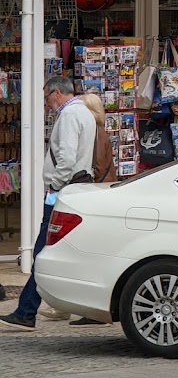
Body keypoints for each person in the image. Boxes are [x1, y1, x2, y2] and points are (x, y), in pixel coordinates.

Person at [0, 76, 96, 331]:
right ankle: (88, 307)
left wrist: (54, 185)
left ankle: (26, 311)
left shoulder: (68, 116)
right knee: (74, 249)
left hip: (62, 191)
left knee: (44, 250)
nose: (46, 103)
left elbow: (65, 157)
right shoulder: (84, 113)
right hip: (77, 188)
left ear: (56, 93)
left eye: (46, 97)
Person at [67, 94, 117, 328]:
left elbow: (97, 165)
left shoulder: (96, 133)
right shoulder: (99, 131)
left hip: (94, 191)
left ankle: (93, 309)